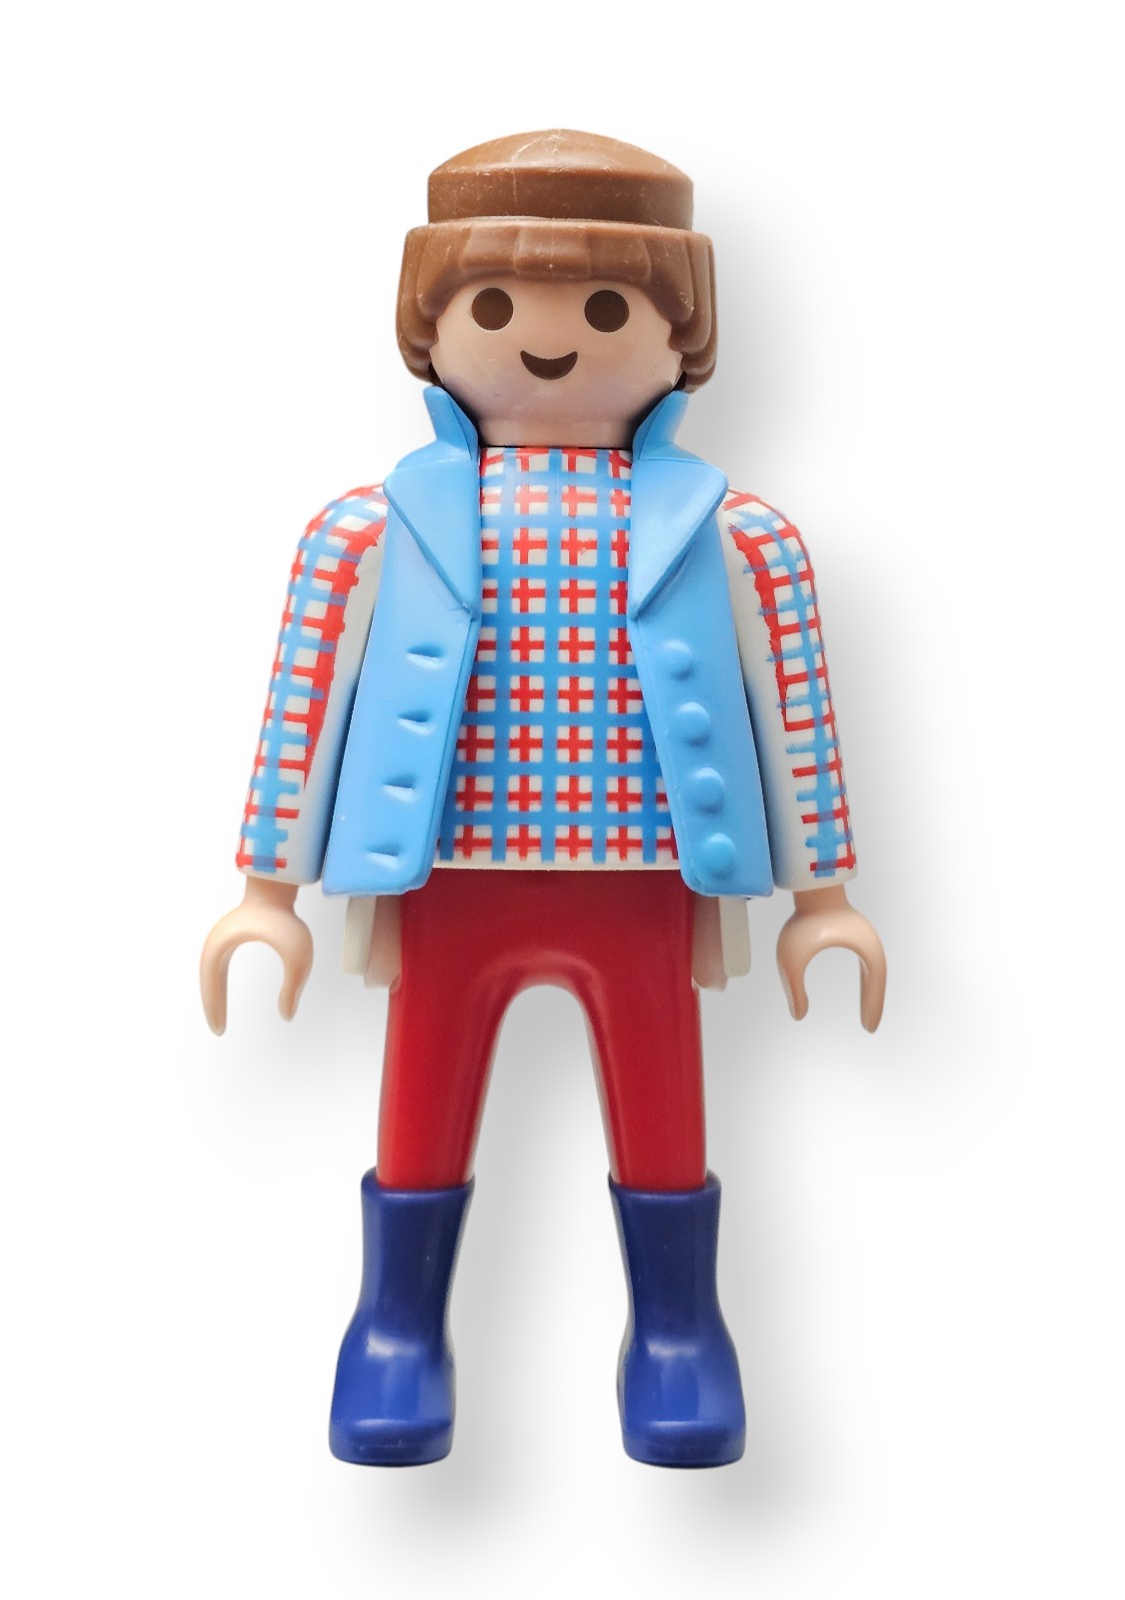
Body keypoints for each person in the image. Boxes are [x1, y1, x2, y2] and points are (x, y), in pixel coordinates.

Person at [200, 129, 886, 1468]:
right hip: (444, 871)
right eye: (500, 305)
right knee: (421, 1098)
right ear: (430, 327)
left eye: (608, 310)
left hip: (647, 875)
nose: (552, 340)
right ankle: (397, 1326)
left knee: (663, 1102)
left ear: (684, 336)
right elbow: (305, 702)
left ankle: (678, 1329)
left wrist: (825, 897)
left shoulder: (735, 532)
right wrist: (265, 890)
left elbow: (795, 706)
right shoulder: (372, 526)